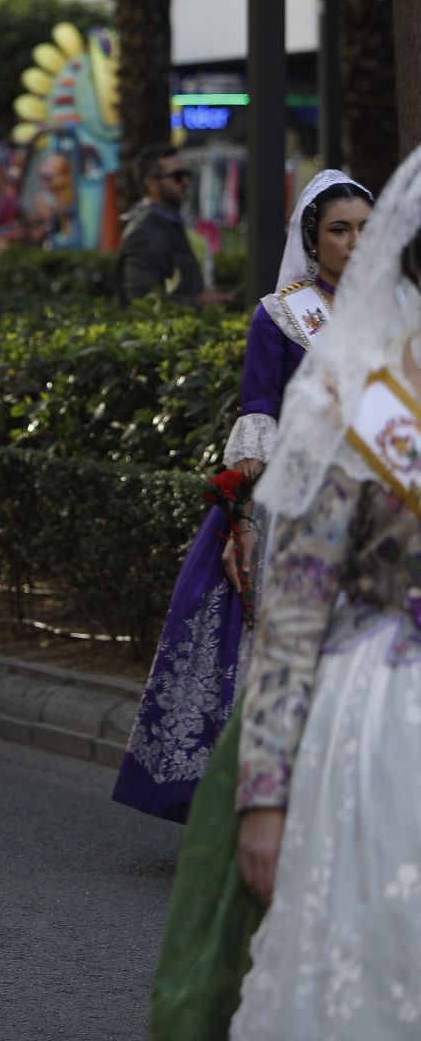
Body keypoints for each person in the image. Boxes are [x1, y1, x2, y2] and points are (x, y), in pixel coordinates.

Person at [214, 150, 421, 1037]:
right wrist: (264, 793)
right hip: (386, 715)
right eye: (340, 229)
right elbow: (296, 612)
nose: (355, 242)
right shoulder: (355, 393)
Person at [117, 171, 373, 827]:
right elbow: (260, 409)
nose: (354, 242)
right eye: (340, 230)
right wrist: (241, 514)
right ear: (313, 239)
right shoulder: (282, 314)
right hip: (302, 510)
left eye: (366, 228)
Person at [120, 147, 236, 308]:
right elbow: (141, 301)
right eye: (177, 176)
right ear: (151, 183)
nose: (185, 182)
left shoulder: (172, 222)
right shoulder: (145, 232)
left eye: (187, 174)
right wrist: (198, 302)